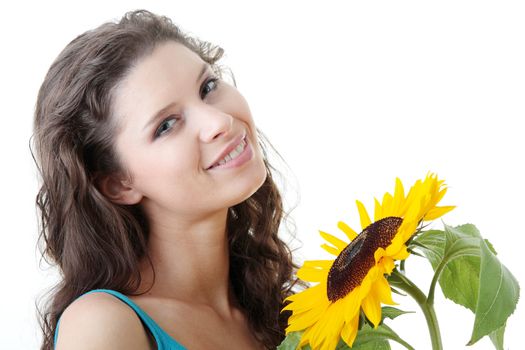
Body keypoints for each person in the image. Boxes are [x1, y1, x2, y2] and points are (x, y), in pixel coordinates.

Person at [32, 9, 302, 350]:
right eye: (166, 125)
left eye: (208, 87)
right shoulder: (102, 325)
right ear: (118, 183)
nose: (218, 121)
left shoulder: (283, 310)